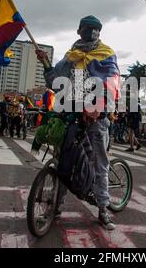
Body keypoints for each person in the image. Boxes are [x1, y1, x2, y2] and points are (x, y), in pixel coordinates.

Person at [35, 15, 120, 231]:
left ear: (99, 32)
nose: (90, 32)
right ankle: (55, 206)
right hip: (71, 116)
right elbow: (55, 82)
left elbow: (112, 83)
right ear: (79, 30)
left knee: (100, 165)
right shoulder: (70, 57)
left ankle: (103, 209)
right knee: (64, 162)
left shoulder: (107, 54)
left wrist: (97, 107)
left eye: (94, 29)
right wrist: (45, 62)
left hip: (95, 119)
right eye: (86, 28)